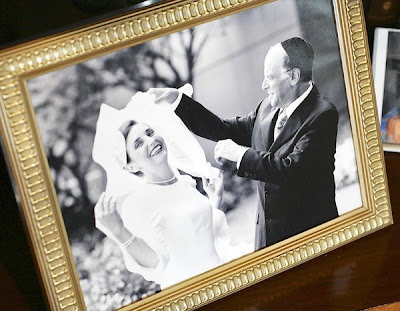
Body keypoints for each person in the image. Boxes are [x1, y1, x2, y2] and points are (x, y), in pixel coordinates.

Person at [148, 37, 339, 250]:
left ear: (293, 76)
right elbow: (224, 129)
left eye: (269, 77)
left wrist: (240, 154)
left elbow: (292, 170)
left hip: (310, 240)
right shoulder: (266, 107)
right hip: (266, 240)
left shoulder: (323, 115)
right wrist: (179, 102)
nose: (263, 85)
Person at [94, 119, 239, 289]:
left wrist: (214, 201)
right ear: (131, 167)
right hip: (191, 290)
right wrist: (119, 232)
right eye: (138, 144)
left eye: (150, 133)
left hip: (221, 276)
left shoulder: (185, 183)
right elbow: (155, 262)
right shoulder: (138, 203)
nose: (151, 140)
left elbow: (202, 235)